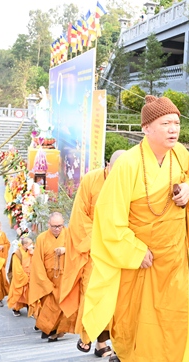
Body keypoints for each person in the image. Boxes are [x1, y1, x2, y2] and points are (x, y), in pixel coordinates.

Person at [82, 95, 189, 362]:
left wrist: (188, 189)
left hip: (175, 260)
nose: (173, 129)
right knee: (140, 326)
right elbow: (109, 217)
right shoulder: (128, 164)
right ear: (146, 128)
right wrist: (134, 251)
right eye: (165, 123)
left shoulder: (180, 154)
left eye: (176, 123)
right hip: (143, 262)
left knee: (176, 322)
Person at [60, 150, 125, 357]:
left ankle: (108, 344)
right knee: (94, 294)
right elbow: (79, 218)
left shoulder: (128, 182)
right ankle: (93, 339)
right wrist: (100, 240)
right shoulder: (91, 181)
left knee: (117, 300)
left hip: (118, 251)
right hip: (94, 251)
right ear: (108, 166)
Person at [28, 212, 75, 342]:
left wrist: (66, 250)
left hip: (66, 279)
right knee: (49, 306)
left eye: (60, 226)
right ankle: (50, 330)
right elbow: (37, 263)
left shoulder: (70, 235)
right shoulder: (41, 238)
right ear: (49, 224)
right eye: (54, 226)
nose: (57, 229)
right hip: (48, 280)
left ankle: (56, 331)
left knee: (64, 305)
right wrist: (45, 283)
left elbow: (79, 251)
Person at [7, 237, 34, 317]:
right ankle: (16, 309)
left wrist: (33, 253)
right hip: (21, 277)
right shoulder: (17, 254)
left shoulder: (30, 251)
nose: (32, 245)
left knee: (29, 294)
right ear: (25, 245)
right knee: (18, 294)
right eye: (30, 244)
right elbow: (17, 269)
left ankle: (30, 309)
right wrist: (25, 277)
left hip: (30, 276)